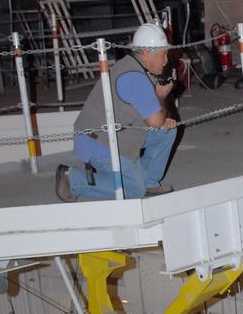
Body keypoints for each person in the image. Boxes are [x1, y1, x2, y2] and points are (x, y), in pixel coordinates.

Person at [55, 21, 178, 201]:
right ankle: (71, 179)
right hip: (99, 142)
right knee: (133, 191)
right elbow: (156, 121)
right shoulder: (135, 78)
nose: (166, 60)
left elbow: (147, 116)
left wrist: (161, 113)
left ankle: (148, 181)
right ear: (147, 53)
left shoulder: (133, 66)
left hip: (108, 134)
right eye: (163, 55)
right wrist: (161, 96)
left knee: (166, 132)